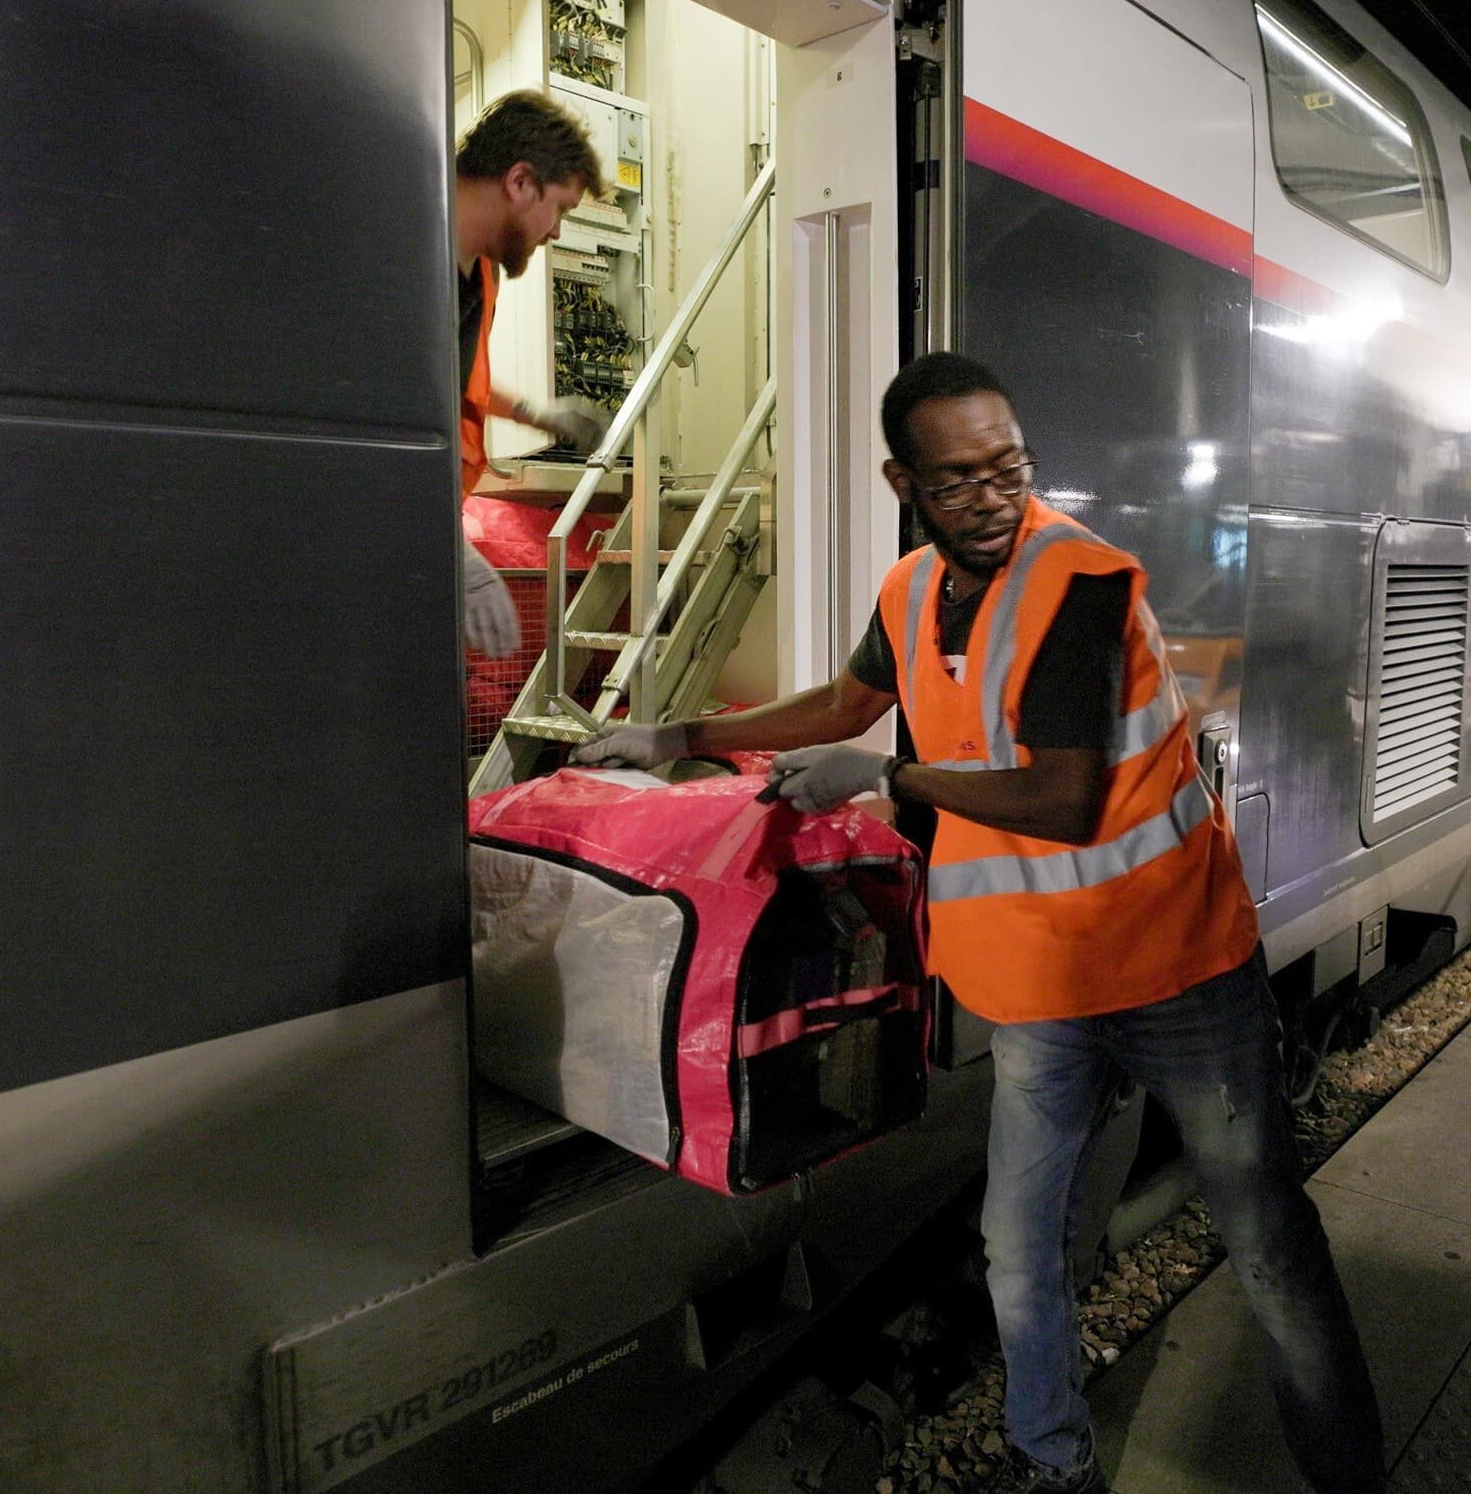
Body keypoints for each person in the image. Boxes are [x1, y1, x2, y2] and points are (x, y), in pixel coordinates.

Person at [576, 352, 1385, 1494]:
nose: (994, 498)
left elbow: (1066, 799)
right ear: (902, 481)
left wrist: (886, 778)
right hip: (1037, 993)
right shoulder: (909, 592)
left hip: (1176, 972)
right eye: (960, 481)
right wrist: (677, 740)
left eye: (1009, 468)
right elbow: (844, 702)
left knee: (1261, 1236)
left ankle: (1346, 1473)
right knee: (1015, 1251)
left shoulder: (1081, 583)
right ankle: (1052, 1465)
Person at [454, 90, 613, 657]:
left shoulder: (481, 277)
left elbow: (443, 384)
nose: (556, 233)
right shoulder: (399, 255)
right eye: (562, 209)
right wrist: (451, 550)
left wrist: (535, 413)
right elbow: (375, 423)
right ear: (520, 182)